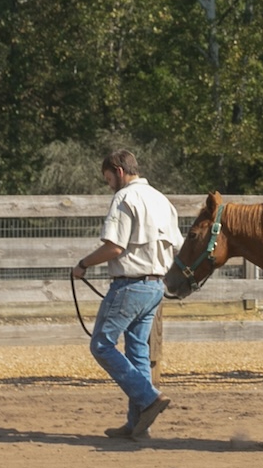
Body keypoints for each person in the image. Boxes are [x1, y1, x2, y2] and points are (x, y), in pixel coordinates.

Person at [72, 149, 181, 440]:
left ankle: (149, 398)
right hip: (155, 286)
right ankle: (136, 425)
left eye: (108, 178)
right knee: (137, 351)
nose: (109, 184)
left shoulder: (124, 198)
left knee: (102, 345)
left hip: (129, 284)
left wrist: (83, 265)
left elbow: (115, 248)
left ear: (119, 171)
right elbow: (176, 246)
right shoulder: (162, 200)